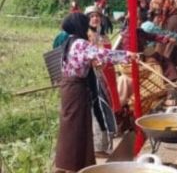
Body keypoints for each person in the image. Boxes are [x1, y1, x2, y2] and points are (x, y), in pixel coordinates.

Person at [54, 13, 135, 173]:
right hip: (76, 89)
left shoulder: (69, 41)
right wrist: (127, 55)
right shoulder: (80, 43)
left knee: (72, 126)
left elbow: (86, 59)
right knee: (76, 127)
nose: (88, 27)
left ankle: (69, 164)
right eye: (86, 24)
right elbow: (103, 54)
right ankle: (73, 165)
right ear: (80, 26)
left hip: (69, 88)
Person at [84, 5, 120, 158]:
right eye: (91, 16)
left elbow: (109, 54)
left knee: (108, 105)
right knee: (99, 107)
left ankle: (106, 144)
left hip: (108, 74)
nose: (95, 18)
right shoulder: (86, 36)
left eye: (97, 15)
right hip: (95, 75)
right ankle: (98, 146)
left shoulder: (103, 35)